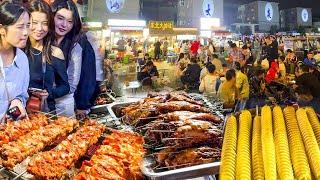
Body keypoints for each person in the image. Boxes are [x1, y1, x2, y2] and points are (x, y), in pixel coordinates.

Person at [52, 0, 96, 118]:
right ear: (52, 16)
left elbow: (87, 75)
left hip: (66, 103)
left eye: (70, 21)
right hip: (42, 104)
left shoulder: (79, 42)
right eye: (60, 18)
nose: (64, 25)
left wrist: (83, 104)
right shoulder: (45, 40)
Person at [26, 0, 69, 112]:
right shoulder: (18, 51)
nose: (39, 28)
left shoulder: (55, 52)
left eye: (44, 23)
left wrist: (49, 93)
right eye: (34, 23)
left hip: (45, 112)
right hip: (18, 112)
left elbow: (65, 86)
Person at [0, 1, 30, 121]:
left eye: (28, 25)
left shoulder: (22, 59)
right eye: (20, 27)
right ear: (2, 30)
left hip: (7, 133)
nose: (26, 32)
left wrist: (17, 101)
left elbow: (21, 94)